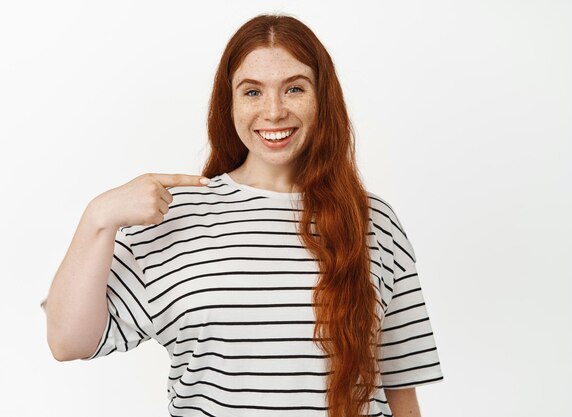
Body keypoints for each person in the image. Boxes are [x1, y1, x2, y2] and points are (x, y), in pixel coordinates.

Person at [41, 13, 444, 417]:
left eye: (294, 89)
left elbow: (400, 388)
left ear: (323, 97)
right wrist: (98, 217)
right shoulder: (174, 214)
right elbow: (68, 341)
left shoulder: (373, 221)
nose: (273, 112)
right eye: (252, 92)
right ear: (228, 102)